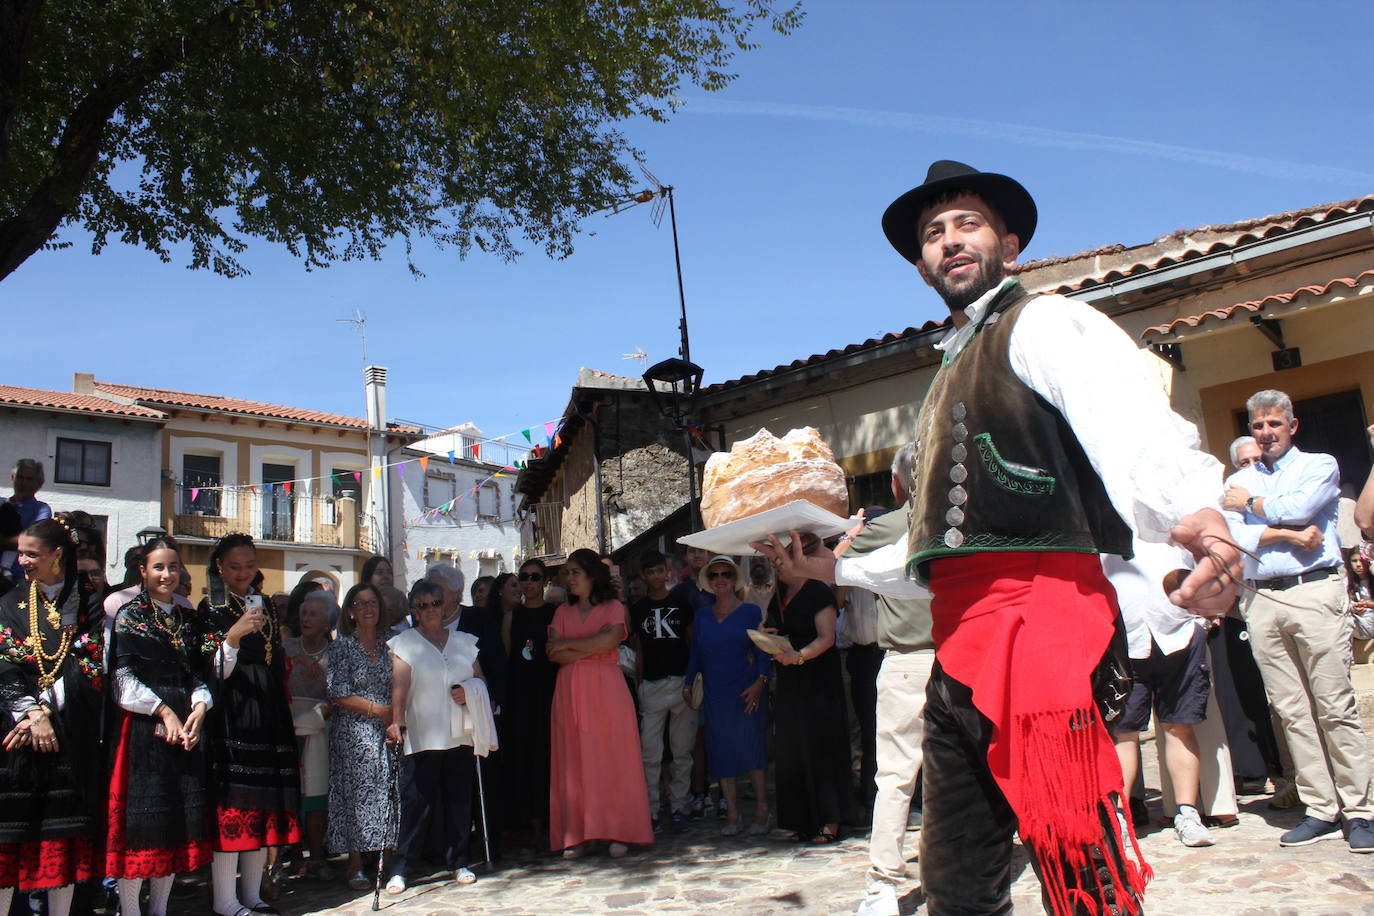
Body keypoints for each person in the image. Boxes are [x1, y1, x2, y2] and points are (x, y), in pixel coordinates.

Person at [755, 160, 1241, 916]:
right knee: (958, 885)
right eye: (933, 233)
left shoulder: (1044, 322)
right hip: (961, 653)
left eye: (967, 224)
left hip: (1046, 638)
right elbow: (944, 550)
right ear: (921, 265)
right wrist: (833, 568)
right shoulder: (949, 368)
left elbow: (1133, 431)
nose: (949, 241)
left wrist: (1197, 512)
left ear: (1009, 245)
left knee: (1082, 871)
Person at [1222, 389, 1373, 852]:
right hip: (1263, 599)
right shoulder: (1236, 481)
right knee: (1291, 710)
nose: (1265, 433)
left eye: (1273, 424)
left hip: (1314, 591)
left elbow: (1301, 509)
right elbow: (1235, 533)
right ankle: (1319, 807)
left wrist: (1255, 507)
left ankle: (1361, 809)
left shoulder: (1320, 464)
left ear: (1292, 426)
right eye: (1257, 425)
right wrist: (1279, 525)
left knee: (1334, 705)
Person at [104, 535, 214, 916]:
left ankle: (160, 910)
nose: (167, 574)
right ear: (143, 571)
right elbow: (121, 679)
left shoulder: (187, 618)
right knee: (142, 828)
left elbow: (197, 674)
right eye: (158, 567)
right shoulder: (131, 615)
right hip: (143, 727)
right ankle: (131, 910)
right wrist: (164, 711)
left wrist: (199, 707)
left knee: (173, 825)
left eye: (172, 566)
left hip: (185, 727)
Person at [0, 514, 104, 916]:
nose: (23, 561)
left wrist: (46, 709)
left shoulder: (87, 600)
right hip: (20, 733)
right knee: (11, 837)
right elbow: (4, 662)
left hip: (67, 732)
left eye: (32, 554)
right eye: (21, 553)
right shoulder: (11, 602)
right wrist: (29, 713)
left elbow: (89, 664)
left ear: (57, 554)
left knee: (61, 838)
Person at [848, 444, 937, 916]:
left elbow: (827, 559)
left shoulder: (884, 528)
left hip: (906, 662)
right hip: (963, 659)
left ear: (897, 485)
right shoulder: (963, 524)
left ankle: (882, 886)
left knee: (896, 779)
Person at [195, 533, 302, 916]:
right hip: (234, 712)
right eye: (235, 567)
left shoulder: (267, 605)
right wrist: (234, 637)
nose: (243, 574)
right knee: (234, 804)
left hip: (268, 709)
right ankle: (225, 900)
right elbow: (211, 669)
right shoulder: (210, 609)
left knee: (262, 803)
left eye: (249, 566)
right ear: (220, 567)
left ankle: (253, 894)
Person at [1103, 540, 1217, 848]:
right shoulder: (1104, 510)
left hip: (1177, 631)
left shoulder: (1173, 510)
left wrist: (1201, 621)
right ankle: (1120, 818)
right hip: (1124, 636)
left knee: (1180, 725)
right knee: (1124, 733)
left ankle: (1187, 813)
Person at [384, 580, 492, 893]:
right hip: (422, 732)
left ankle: (459, 861)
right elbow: (400, 685)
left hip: (459, 732)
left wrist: (469, 692)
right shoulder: (405, 642)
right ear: (414, 611)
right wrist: (396, 720)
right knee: (416, 802)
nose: (430, 610)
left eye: (435, 603)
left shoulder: (465, 642)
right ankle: (402, 868)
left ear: (444, 606)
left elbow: (481, 680)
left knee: (459, 800)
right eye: (423, 605)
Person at [547, 548, 653, 857]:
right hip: (569, 692)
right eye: (566, 573)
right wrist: (588, 647)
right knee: (574, 760)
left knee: (612, 757)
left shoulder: (613, 607)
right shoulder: (561, 612)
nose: (569, 579)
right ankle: (579, 834)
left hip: (606, 689)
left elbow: (610, 641)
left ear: (592, 575)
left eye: (574, 572)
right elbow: (552, 653)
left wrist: (570, 646)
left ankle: (619, 830)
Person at [764, 537, 853, 844]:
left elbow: (826, 637)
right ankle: (800, 819)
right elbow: (773, 625)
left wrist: (798, 657)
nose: (778, 568)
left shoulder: (817, 592)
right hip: (790, 680)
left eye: (780, 562)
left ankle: (830, 820)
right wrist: (767, 635)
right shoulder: (779, 594)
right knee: (792, 748)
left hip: (818, 680)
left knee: (822, 746)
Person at [682, 555, 769, 836]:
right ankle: (732, 814)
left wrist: (760, 683)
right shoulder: (702, 616)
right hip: (715, 692)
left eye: (726, 574)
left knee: (751, 750)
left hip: (745, 690)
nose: (720, 580)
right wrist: (687, 684)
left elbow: (762, 651)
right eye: (715, 575)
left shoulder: (751, 612)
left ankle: (762, 811)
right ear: (708, 581)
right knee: (721, 753)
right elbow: (695, 653)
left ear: (734, 579)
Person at [326, 583, 394, 892]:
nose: (368, 608)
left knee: (389, 793)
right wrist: (377, 711)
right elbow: (337, 691)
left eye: (372, 602)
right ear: (350, 611)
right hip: (354, 732)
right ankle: (355, 863)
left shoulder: (393, 643)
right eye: (360, 603)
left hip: (391, 728)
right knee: (355, 798)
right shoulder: (341, 646)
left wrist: (394, 714)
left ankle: (387, 857)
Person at [629, 549, 697, 834]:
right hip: (653, 684)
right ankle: (652, 808)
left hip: (680, 681)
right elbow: (638, 648)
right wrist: (640, 681)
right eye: (651, 572)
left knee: (682, 750)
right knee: (650, 753)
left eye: (660, 571)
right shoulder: (638, 609)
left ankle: (681, 806)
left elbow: (691, 639)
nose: (656, 577)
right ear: (644, 576)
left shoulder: (681, 602)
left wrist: (692, 679)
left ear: (667, 572)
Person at [501, 559, 559, 846]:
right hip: (521, 696)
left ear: (544, 580)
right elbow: (508, 657)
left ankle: (552, 821)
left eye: (535, 577)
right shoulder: (513, 616)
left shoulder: (556, 613)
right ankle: (532, 824)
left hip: (550, 691)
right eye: (524, 577)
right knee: (525, 758)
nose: (529, 582)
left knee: (549, 755)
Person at [283, 589, 336, 878]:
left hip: (320, 728)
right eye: (304, 613)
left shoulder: (336, 653)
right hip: (289, 726)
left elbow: (339, 694)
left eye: (314, 614)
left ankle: (316, 856)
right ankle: (293, 856)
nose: (306, 618)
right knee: (292, 794)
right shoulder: (287, 648)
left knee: (316, 795)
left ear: (328, 623)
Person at [2, 459, 52, 581]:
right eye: (20, 477)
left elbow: (31, 542)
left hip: (17, 578)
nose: (23, 483)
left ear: (39, 484)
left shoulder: (41, 509)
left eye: (29, 479)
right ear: (12, 478)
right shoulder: (1, 504)